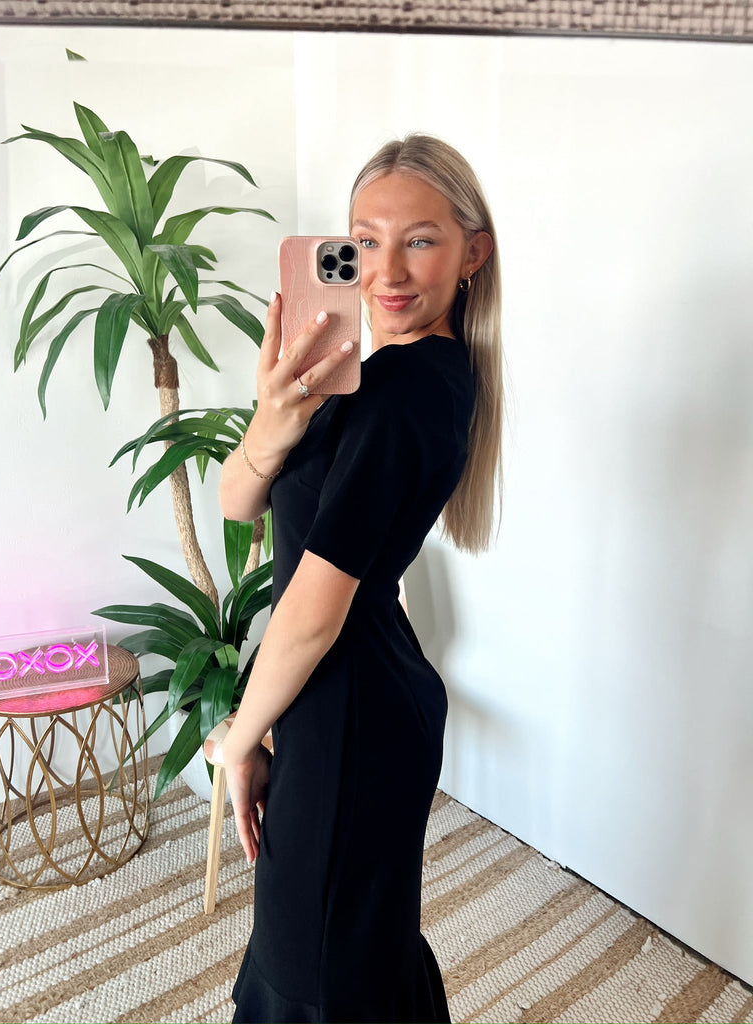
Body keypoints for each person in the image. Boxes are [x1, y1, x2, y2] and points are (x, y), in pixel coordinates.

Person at [217, 133, 504, 1024]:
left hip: (347, 706)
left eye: (420, 240)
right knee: (347, 948)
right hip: (352, 694)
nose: (387, 270)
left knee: (316, 970)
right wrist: (273, 418)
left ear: (472, 253)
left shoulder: (400, 393)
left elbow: (311, 610)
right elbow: (235, 502)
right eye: (365, 240)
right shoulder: (374, 379)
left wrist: (237, 740)